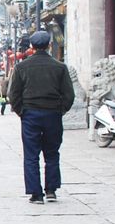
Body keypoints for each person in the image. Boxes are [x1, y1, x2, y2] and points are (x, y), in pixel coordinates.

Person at [7, 30, 75, 204]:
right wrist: (60, 110)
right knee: (52, 153)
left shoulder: (21, 67)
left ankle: (36, 193)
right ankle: (51, 190)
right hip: (53, 114)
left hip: (30, 114)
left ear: (31, 46)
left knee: (31, 155)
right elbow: (69, 95)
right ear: (49, 45)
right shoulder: (59, 67)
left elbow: (13, 94)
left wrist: (21, 111)